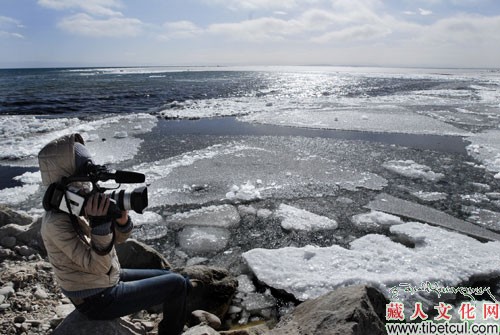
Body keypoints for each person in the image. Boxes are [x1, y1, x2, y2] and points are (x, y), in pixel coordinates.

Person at [38, 133, 192, 335]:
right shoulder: (57, 223)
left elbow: (116, 241)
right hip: (95, 298)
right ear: (67, 174)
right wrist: (100, 223)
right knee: (178, 284)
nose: (86, 184)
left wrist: (121, 221)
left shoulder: (74, 205)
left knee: (172, 277)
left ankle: (168, 312)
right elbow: (97, 265)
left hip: (104, 280)